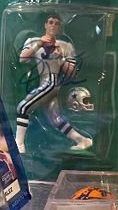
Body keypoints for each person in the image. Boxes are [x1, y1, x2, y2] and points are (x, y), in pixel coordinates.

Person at [15, 13, 92, 154]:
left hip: (52, 81)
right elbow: (22, 59)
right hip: (43, 81)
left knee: (23, 107)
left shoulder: (65, 46)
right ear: (45, 24)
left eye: (57, 23)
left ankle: (19, 144)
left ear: (60, 27)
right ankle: (82, 140)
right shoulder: (33, 40)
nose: (53, 26)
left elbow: (71, 73)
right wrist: (39, 44)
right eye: (50, 22)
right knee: (56, 119)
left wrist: (61, 58)